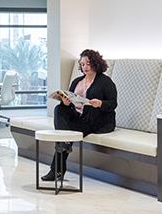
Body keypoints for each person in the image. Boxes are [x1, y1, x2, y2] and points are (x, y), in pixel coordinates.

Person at [42, 49, 117, 181]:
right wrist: (66, 103)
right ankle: (65, 143)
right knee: (59, 109)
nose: (85, 67)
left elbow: (113, 103)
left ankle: (56, 170)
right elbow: (71, 102)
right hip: (79, 117)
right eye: (82, 64)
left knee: (64, 135)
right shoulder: (77, 81)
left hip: (96, 120)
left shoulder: (105, 82)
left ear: (96, 63)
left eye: (88, 64)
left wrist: (100, 103)